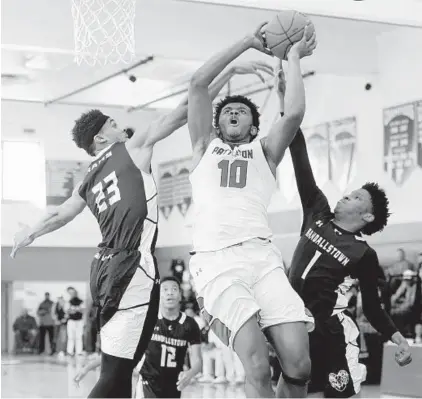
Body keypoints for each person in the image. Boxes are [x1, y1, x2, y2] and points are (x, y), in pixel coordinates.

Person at [10, 60, 273, 398]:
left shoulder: (87, 179)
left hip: (106, 270)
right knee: (114, 377)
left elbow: (60, 215)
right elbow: (184, 111)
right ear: (102, 137)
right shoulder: (129, 150)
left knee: (123, 370)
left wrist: (29, 233)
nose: (123, 128)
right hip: (130, 268)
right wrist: (229, 76)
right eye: (115, 124)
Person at [187, 22, 316, 398]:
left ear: (253, 124)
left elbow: (292, 113)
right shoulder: (202, 148)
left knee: (299, 363)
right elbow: (197, 84)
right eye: (228, 109)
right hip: (216, 261)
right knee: (257, 366)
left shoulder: (265, 151)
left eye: (242, 110)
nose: (234, 112)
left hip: (263, 258)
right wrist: (246, 41)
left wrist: (292, 58)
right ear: (217, 122)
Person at [287, 128, 412, 397]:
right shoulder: (317, 211)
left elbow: (372, 307)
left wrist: (397, 337)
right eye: (350, 192)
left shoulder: (362, 253)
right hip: (294, 324)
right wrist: (290, 114)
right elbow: (300, 160)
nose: (346, 195)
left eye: (356, 197)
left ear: (367, 217)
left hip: (330, 334)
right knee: (289, 392)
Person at [74, 277, 202, 399]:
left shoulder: (189, 324)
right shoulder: (147, 321)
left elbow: (198, 361)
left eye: (174, 289)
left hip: (173, 388)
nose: (170, 293)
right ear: (158, 295)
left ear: (180, 295)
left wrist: (190, 373)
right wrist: (87, 368)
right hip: (147, 386)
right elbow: (118, 352)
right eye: (165, 289)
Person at [66, 287, 85, 356]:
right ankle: (70, 351)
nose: (73, 294)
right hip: (71, 321)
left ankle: (79, 352)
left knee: (79, 337)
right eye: (71, 293)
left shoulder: (81, 301)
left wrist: (75, 309)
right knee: (71, 337)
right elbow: (68, 311)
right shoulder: (69, 301)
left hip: (79, 321)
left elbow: (82, 310)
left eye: (74, 293)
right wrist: (75, 309)